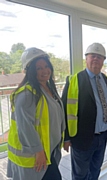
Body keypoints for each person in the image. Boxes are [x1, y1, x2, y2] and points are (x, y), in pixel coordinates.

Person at [7, 47, 65, 180]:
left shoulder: (47, 88)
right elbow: (25, 127)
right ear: (30, 71)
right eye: (39, 68)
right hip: (34, 156)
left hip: (48, 150)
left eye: (46, 66)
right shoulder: (26, 94)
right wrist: (38, 151)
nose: (45, 71)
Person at [61, 42, 107, 180]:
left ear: (104, 61)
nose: (96, 59)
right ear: (86, 58)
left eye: (99, 57)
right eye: (93, 56)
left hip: (102, 136)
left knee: (95, 170)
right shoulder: (74, 80)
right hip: (82, 138)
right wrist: (66, 138)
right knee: (80, 174)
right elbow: (64, 111)